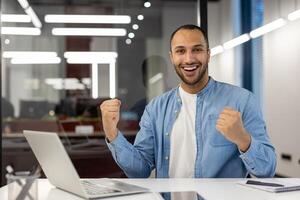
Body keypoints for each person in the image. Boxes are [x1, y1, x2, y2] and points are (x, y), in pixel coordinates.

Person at [100, 25, 276, 181]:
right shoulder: (156, 108)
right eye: (181, 51)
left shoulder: (242, 100)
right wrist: (112, 134)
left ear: (208, 54)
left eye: (197, 49)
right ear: (172, 57)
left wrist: (243, 139)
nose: (189, 59)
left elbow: (266, 170)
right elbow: (140, 171)